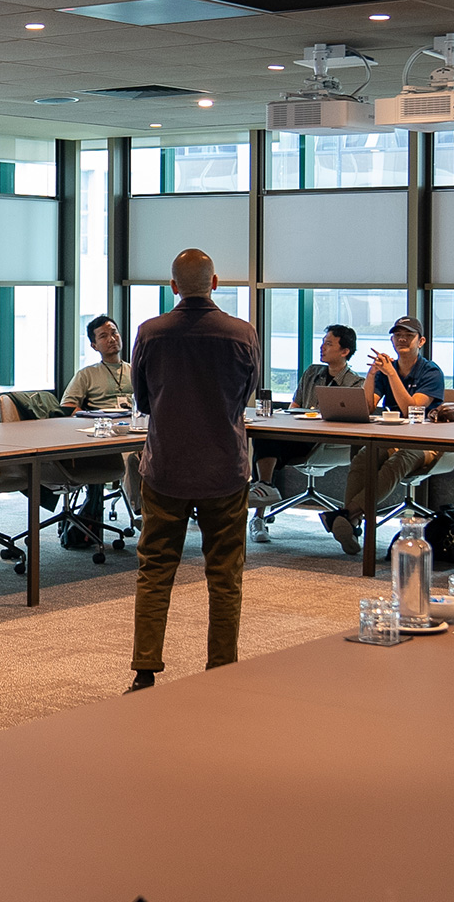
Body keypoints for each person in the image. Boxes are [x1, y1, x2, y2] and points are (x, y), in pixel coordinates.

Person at [126, 248, 260, 693]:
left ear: (173, 286)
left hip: (165, 467)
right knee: (225, 575)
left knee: (155, 570)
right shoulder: (242, 334)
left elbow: (143, 401)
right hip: (224, 468)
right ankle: (222, 671)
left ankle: (145, 669)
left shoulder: (150, 332)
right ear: (216, 283)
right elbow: (245, 398)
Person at [319, 316, 445, 556]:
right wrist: (372, 376)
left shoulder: (431, 371)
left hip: (427, 443)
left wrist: (391, 375)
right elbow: (367, 408)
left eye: (408, 335)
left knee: (398, 461)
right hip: (392, 439)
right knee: (363, 458)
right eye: (397, 335)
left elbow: (411, 409)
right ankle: (351, 524)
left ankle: (348, 515)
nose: (402, 340)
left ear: (421, 341)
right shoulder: (388, 369)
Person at [247, 324, 361, 542]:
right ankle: (264, 494)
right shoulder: (312, 372)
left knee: (267, 444)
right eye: (322, 342)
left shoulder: (355, 382)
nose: (322, 347)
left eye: (329, 344)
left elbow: (350, 420)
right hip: (299, 435)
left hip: (327, 443)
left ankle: (263, 497)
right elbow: (295, 406)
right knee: (265, 432)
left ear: (345, 351)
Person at [60, 314, 142, 544]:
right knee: (131, 458)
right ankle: (141, 513)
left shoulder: (136, 371)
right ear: (94, 345)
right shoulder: (87, 374)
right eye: (103, 336)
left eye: (114, 332)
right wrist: (90, 418)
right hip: (105, 435)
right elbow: (67, 407)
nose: (112, 339)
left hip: (136, 428)